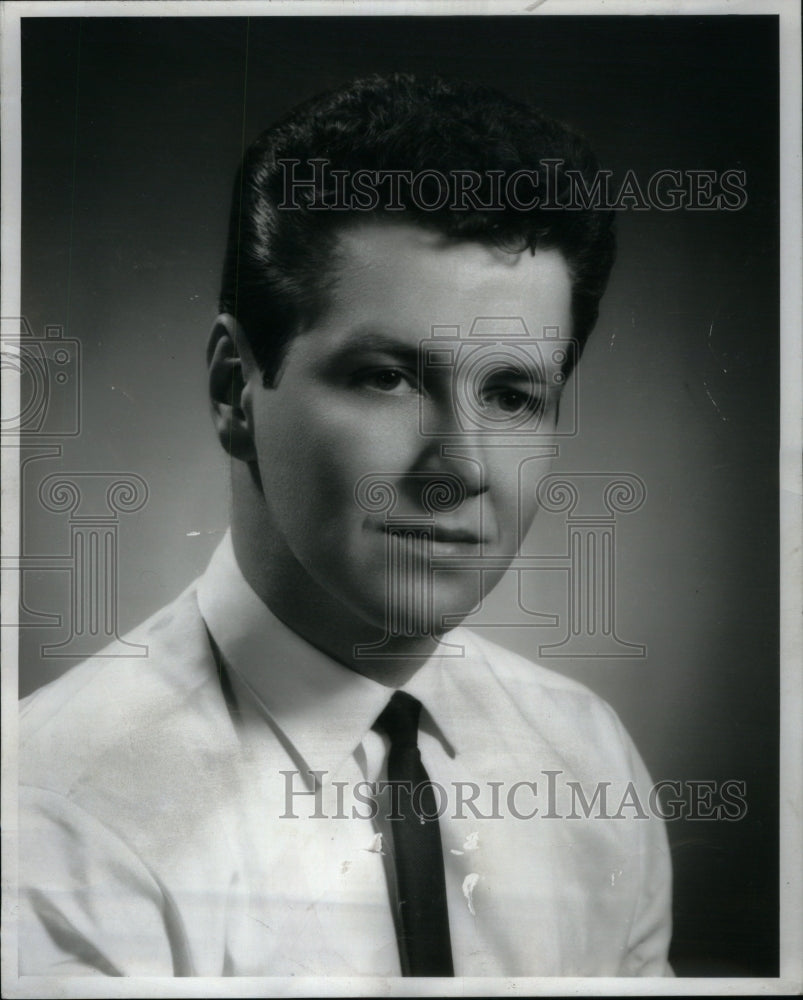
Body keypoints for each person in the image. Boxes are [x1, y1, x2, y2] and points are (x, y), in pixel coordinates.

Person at [19, 74, 672, 977]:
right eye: (386, 377)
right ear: (233, 391)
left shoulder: (588, 757)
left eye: (514, 394)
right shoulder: (50, 820)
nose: (464, 470)